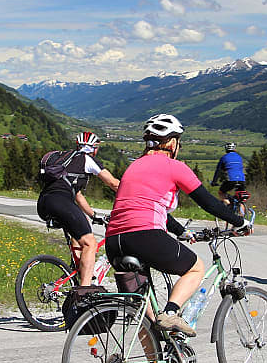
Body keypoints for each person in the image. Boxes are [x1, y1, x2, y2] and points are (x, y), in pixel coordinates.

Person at [105, 114, 251, 337]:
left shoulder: (133, 167)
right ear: (172, 143)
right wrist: (240, 222)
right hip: (144, 235)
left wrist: (180, 231)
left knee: (144, 312)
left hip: (114, 241)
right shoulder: (174, 167)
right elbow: (208, 202)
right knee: (196, 267)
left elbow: (150, 208)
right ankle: (171, 312)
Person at [36, 131, 119, 285]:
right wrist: (135, 193)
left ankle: (80, 273)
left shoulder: (66, 159)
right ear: (94, 148)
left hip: (44, 202)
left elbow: (78, 195)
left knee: (78, 237)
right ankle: (85, 290)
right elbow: (113, 183)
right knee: (90, 243)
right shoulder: (87, 159)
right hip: (61, 202)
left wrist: (94, 215)